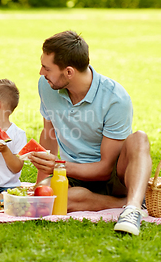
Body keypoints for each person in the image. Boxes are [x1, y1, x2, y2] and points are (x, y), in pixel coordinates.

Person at [28, 30, 152, 235]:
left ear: (69, 72)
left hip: (114, 177)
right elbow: (49, 135)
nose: (41, 73)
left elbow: (104, 169)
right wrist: (40, 186)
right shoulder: (47, 86)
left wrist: (59, 165)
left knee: (139, 138)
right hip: (73, 173)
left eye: (46, 68)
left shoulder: (115, 98)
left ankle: (132, 209)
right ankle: (126, 202)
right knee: (53, 200)